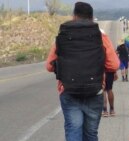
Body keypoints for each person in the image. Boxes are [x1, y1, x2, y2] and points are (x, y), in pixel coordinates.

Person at [46, 2, 119, 141]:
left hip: (69, 91)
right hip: (95, 91)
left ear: (74, 16)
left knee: (73, 131)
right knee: (91, 134)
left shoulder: (63, 36)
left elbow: (49, 66)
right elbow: (114, 65)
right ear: (92, 18)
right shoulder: (101, 37)